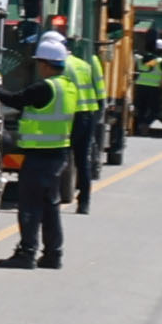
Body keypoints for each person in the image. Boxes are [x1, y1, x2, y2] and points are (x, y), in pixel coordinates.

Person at [0, 35, 76, 269]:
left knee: (30, 206)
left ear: (45, 64)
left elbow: (13, 99)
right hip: (58, 154)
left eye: (39, 63)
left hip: (39, 155)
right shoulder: (68, 87)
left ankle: (27, 253)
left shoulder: (45, 87)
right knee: (50, 207)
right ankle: (53, 255)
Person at [60, 37, 103, 213]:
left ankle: (51, 198)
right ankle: (84, 203)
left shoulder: (60, 65)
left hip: (68, 116)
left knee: (60, 157)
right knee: (82, 161)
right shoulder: (84, 64)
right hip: (87, 114)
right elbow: (100, 91)